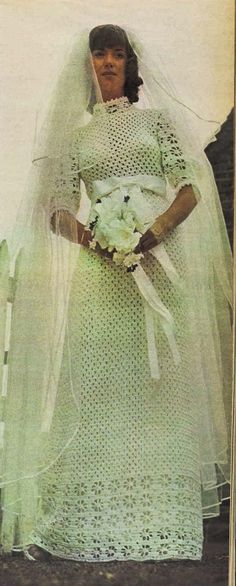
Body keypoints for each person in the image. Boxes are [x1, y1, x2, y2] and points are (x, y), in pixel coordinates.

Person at [0, 24, 232, 563]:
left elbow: (191, 186)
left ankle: (161, 518)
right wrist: (98, 238)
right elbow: (56, 209)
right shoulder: (75, 138)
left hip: (160, 265)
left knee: (160, 385)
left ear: (130, 65)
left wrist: (152, 233)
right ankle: (93, 518)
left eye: (117, 54)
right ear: (87, 66)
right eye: (99, 54)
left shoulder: (157, 123)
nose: (107, 62)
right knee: (104, 383)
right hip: (102, 277)